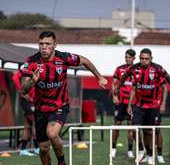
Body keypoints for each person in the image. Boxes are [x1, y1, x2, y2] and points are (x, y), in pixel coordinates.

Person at [21, 31, 107, 165]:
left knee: (52, 134)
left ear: (55, 45)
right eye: (41, 44)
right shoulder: (31, 61)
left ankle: (62, 162)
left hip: (60, 105)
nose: (44, 47)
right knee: (43, 148)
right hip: (40, 109)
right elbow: (23, 90)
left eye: (48, 44)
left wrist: (99, 77)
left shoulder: (64, 58)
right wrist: (32, 81)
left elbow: (84, 60)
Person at [115, 48, 170, 165]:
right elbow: (123, 76)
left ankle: (151, 154)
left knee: (150, 131)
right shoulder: (134, 68)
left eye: (146, 59)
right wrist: (118, 87)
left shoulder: (157, 69)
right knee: (134, 129)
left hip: (153, 105)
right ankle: (141, 149)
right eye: (142, 58)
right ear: (139, 58)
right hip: (138, 105)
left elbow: (168, 77)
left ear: (151, 59)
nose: (144, 61)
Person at [111, 49, 136, 158]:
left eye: (129, 57)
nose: (127, 59)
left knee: (131, 127)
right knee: (116, 126)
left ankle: (130, 150)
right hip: (120, 102)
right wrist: (114, 96)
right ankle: (113, 148)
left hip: (132, 103)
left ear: (134, 58)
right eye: (126, 57)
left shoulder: (137, 70)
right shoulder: (119, 69)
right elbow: (114, 83)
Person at [12, 69, 39, 156]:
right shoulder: (29, 72)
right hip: (28, 104)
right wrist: (21, 91)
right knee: (35, 125)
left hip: (31, 103)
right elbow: (15, 78)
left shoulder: (35, 74)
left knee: (27, 126)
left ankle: (23, 150)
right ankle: (37, 148)